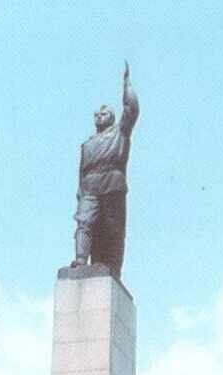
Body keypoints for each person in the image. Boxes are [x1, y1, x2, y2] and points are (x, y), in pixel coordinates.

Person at [70, 61, 139, 277]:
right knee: (84, 221)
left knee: (112, 228)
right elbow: (81, 172)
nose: (99, 116)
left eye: (105, 113)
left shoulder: (120, 133)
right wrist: (80, 193)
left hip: (112, 183)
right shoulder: (87, 144)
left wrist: (127, 85)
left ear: (113, 117)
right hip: (90, 186)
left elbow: (131, 110)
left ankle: (113, 268)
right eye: (96, 115)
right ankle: (80, 259)